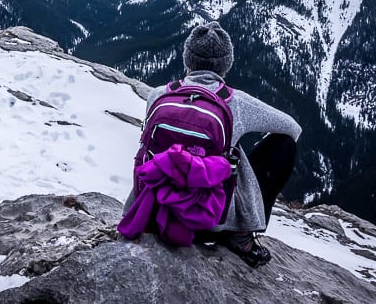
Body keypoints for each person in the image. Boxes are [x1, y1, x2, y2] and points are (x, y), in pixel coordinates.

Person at [124, 21, 301, 267]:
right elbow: (292, 129)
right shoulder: (235, 102)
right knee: (283, 145)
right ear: (226, 64)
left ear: (187, 59)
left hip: (153, 213)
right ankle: (242, 235)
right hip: (209, 221)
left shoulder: (158, 95)